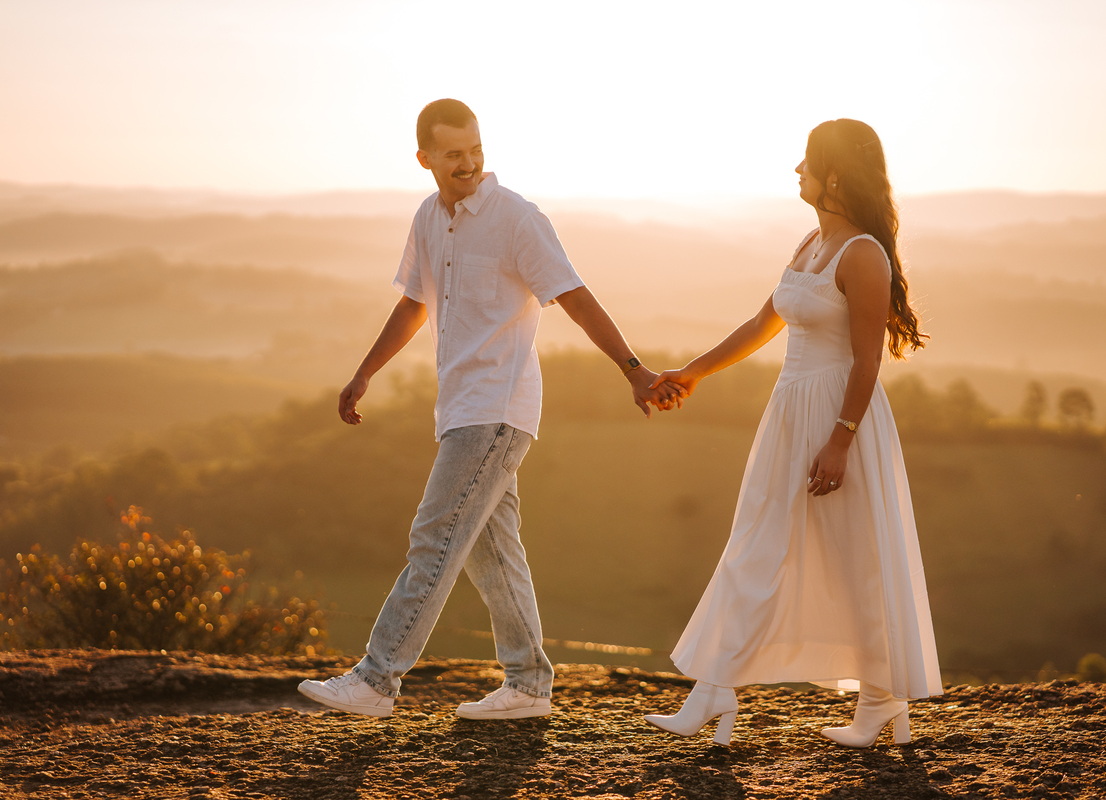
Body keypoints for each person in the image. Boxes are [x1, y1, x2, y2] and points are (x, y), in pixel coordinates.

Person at [299, 99, 680, 721]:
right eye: (453, 154)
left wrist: (634, 371)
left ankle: (376, 679)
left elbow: (575, 296)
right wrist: (365, 372)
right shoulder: (428, 217)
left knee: (435, 536)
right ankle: (528, 686)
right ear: (424, 159)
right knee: (490, 548)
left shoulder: (516, 218)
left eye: (475, 148)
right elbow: (413, 304)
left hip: (497, 406)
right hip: (458, 406)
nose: (469, 162)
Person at [643, 119, 942, 747]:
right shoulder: (812, 241)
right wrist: (693, 372)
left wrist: (839, 441)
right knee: (754, 543)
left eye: (805, 162)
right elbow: (762, 323)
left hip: (841, 418)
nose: (795, 171)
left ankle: (882, 700)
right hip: (788, 413)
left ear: (834, 174)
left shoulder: (862, 253)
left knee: (856, 559)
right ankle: (716, 688)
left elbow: (867, 361)